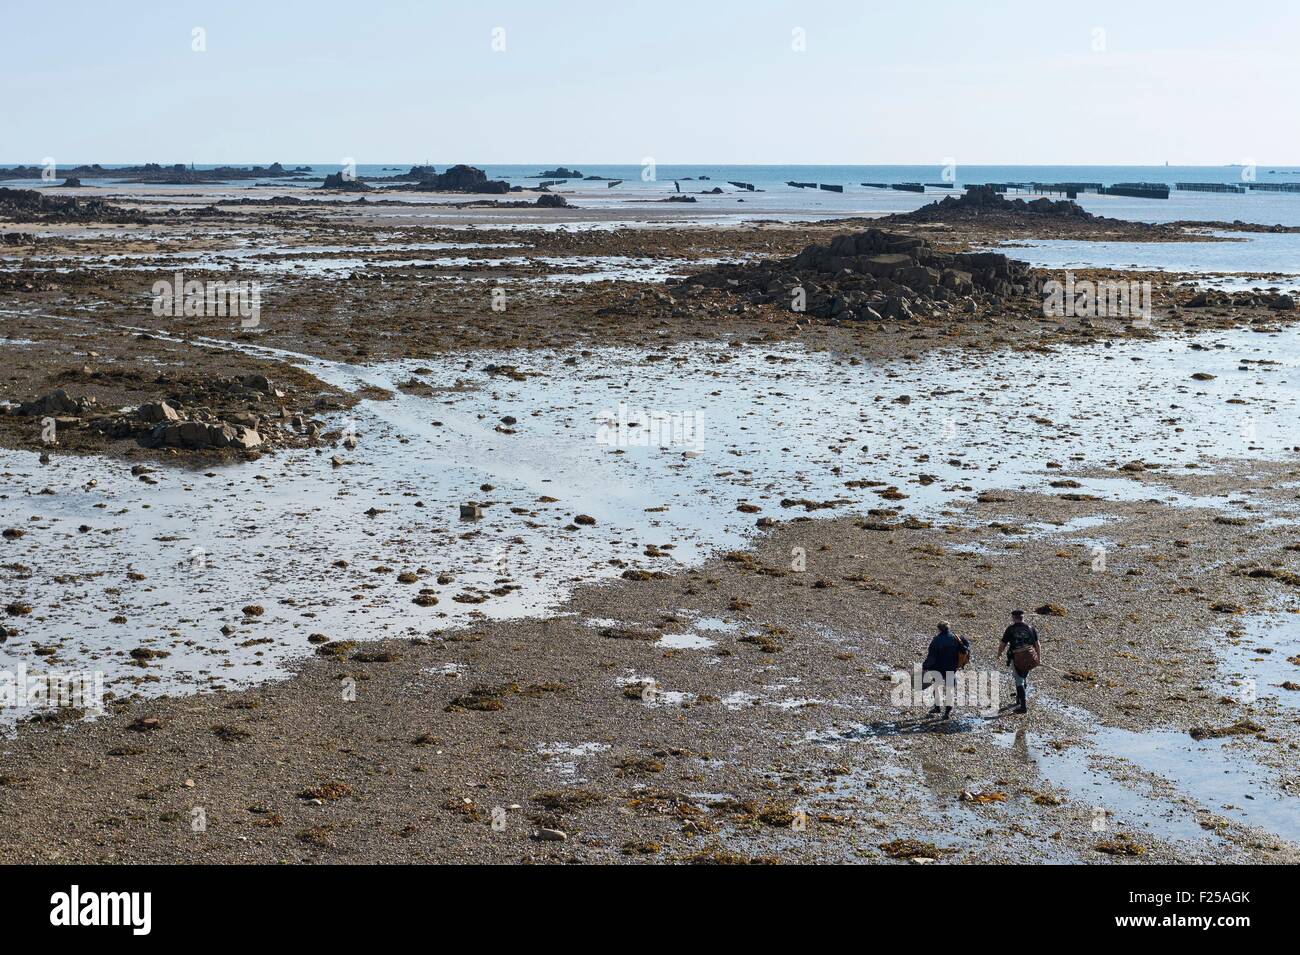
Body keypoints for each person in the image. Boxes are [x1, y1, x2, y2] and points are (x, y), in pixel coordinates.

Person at [922, 621, 970, 720]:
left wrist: (925, 666)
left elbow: (932, 657)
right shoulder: (957, 638)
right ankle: (947, 713)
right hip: (952, 668)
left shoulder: (936, 640)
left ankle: (937, 707)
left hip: (937, 668)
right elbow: (966, 647)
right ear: (949, 628)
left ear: (939, 629)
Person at [999, 609, 1040, 714]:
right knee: (1024, 677)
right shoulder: (1031, 628)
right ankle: (1019, 698)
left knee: (1019, 681)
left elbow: (1003, 644)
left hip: (1016, 658)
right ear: (1022, 618)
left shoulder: (1010, 629)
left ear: (1013, 618)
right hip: (1030, 657)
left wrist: (999, 654)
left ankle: (1023, 706)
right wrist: (1038, 658)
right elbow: (1037, 645)